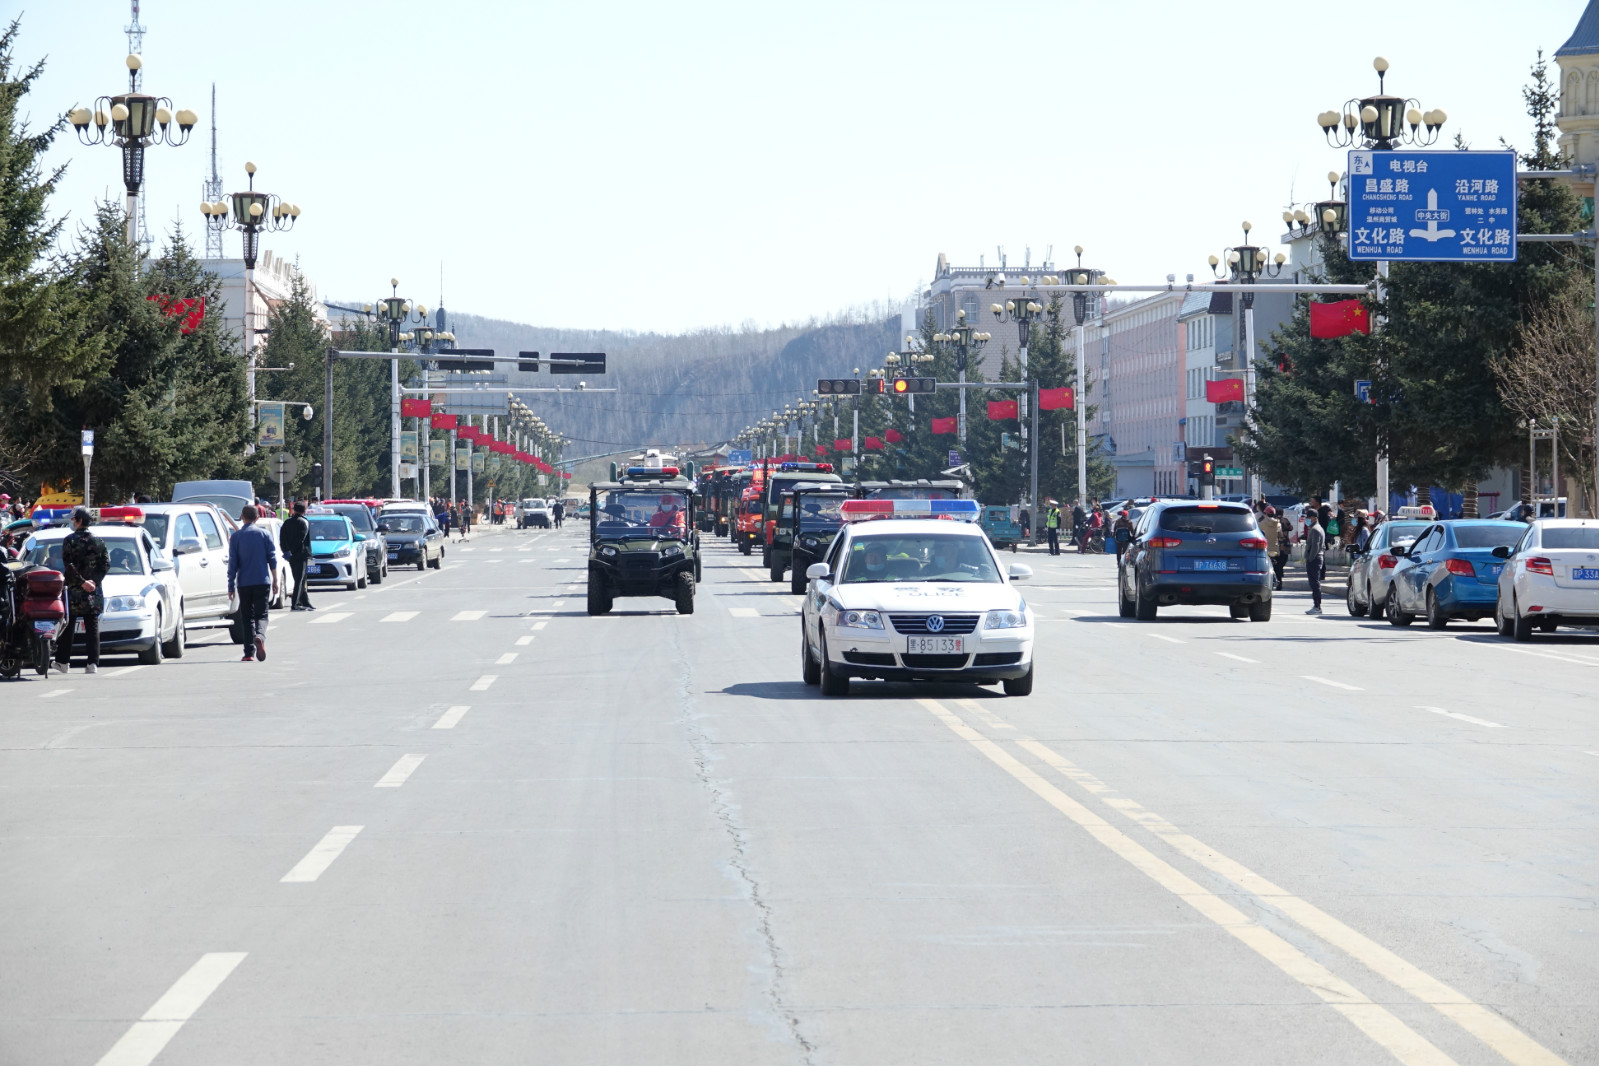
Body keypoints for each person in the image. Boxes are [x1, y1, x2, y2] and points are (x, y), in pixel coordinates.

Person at [56, 507, 108, 674]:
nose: (72, 522)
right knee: (92, 626)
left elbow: (68, 565)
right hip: (93, 590)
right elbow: (105, 564)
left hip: (74, 590)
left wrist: (81, 582)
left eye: (73, 519)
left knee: (68, 625)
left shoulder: (69, 540)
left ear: (79, 521)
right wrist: (93, 581)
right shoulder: (98, 540)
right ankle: (92, 664)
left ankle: (63, 662)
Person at [229, 504, 280, 661]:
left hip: (244, 583)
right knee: (262, 615)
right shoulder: (265, 535)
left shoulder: (236, 537)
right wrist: (275, 580)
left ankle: (248, 653)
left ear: (242, 517)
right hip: (262, 581)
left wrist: (230, 586)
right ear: (257, 518)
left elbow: (233, 564)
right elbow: (272, 558)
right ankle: (260, 636)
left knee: (247, 618)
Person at [279, 500, 315, 612]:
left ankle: (305, 602)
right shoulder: (304, 522)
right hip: (301, 554)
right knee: (300, 579)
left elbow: (282, 538)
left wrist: (287, 551)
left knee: (300, 578)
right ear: (304, 511)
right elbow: (301, 539)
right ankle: (295, 603)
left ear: (294, 510)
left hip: (291, 555)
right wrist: (294, 551)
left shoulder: (287, 522)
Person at [1303, 508, 1326, 615]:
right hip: (1317, 558)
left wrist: (1310, 558)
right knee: (1314, 583)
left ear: (1315, 518)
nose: (1307, 519)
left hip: (1315, 559)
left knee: (1315, 583)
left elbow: (1315, 546)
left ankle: (1317, 606)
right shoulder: (1316, 528)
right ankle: (1316, 605)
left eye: (1309, 517)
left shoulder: (1315, 529)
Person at [1257, 506, 1282, 588]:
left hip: (1265, 550)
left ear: (1265, 513)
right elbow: (1280, 535)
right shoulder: (1278, 524)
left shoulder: (1261, 524)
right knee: (1277, 568)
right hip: (1275, 550)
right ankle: (1279, 583)